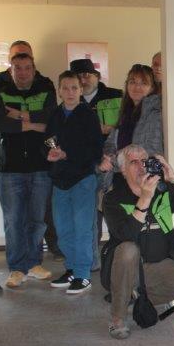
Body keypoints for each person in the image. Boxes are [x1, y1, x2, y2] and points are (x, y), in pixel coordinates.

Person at [101, 144, 174, 339]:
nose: (141, 166)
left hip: (156, 267)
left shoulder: (162, 191)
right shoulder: (113, 198)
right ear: (123, 170)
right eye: (133, 162)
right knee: (128, 249)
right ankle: (117, 318)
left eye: (144, 161)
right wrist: (144, 199)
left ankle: (132, 296)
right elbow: (125, 235)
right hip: (122, 267)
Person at [0, 40, 61, 261]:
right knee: (13, 220)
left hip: (41, 166)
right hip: (10, 167)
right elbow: (0, 123)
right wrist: (34, 124)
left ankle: (35, 262)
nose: (22, 73)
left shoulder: (45, 90)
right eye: (17, 68)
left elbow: (51, 120)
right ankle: (17, 266)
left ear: (34, 69)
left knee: (37, 221)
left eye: (27, 68)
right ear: (10, 70)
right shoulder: (1, 93)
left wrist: (20, 116)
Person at [45, 71, 104, 294]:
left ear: (81, 90)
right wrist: (49, 154)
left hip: (82, 180)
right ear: (59, 90)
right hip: (59, 180)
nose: (70, 92)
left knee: (82, 229)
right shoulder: (55, 115)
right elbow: (46, 141)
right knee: (63, 229)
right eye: (65, 88)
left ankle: (82, 274)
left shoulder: (88, 115)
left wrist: (67, 154)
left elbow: (95, 151)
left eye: (74, 88)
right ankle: (70, 269)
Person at [69, 57, 123, 271]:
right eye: (79, 76)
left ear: (97, 76)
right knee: (88, 219)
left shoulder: (117, 95)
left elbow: (127, 124)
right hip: (85, 166)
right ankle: (92, 262)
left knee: (116, 214)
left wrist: (110, 129)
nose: (84, 80)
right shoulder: (70, 101)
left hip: (113, 166)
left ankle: (120, 260)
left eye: (87, 75)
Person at [100, 64, 163, 176]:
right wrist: (108, 157)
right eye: (132, 82)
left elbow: (151, 149)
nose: (137, 87)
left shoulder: (155, 113)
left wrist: (113, 161)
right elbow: (110, 142)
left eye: (143, 83)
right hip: (121, 174)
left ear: (152, 88)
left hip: (143, 177)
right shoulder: (126, 112)